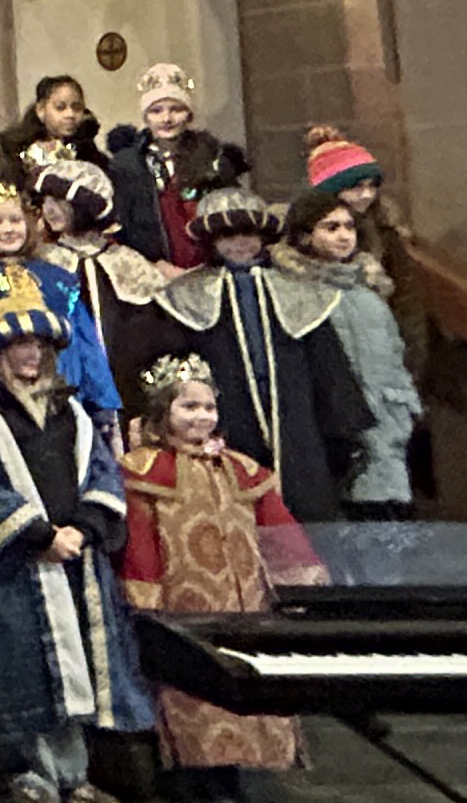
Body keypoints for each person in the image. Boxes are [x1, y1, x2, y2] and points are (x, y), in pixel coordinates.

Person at [0, 273, 154, 803]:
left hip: (73, 558)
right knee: (19, 665)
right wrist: (39, 535)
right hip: (13, 562)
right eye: (19, 345)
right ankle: (26, 770)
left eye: (40, 345)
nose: (31, 355)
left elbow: (102, 473)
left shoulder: (72, 410)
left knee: (79, 662)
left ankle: (74, 771)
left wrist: (84, 527)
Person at [118, 358, 319, 803]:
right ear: (163, 412)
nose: (201, 416)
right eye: (189, 407)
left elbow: (279, 529)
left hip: (244, 603)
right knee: (192, 690)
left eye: (208, 407)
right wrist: (145, 593)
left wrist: (300, 576)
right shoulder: (144, 470)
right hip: (183, 602)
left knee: (244, 685)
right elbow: (140, 537)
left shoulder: (242, 470)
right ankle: (202, 780)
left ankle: (238, 777)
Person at [154, 188, 369, 522]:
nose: (239, 243)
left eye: (248, 234)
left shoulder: (296, 289)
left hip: (296, 421)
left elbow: (327, 366)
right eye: (228, 235)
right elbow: (174, 363)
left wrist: (344, 426)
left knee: (305, 508)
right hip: (226, 417)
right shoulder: (188, 295)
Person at [0, 180, 121, 431]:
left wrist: (102, 403)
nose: (8, 229)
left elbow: (86, 346)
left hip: (65, 398)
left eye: (15, 220)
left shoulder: (57, 280)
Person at [277, 189, 419, 516]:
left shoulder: (368, 292)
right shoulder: (292, 293)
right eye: (331, 228)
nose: (344, 236)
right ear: (305, 235)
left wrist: (403, 409)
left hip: (387, 434)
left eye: (349, 227)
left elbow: (393, 359)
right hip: (331, 442)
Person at [30, 159, 170, 393]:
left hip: (126, 385)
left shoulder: (126, 261)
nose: (49, 209)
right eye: (45, 201)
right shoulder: (43, 262)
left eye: (59, 201)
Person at [302, 125, 427, 373]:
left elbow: (407, 300)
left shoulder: (383, 231)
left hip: (382, 346)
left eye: (372, 186)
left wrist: (409, 358)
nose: (367, 195)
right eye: (356, 187)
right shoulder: (304, 238)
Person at [106, 62, 248, 267]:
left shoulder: (213, 159)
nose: (167, 118)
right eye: (156, 111)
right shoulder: (126, 166)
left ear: (189, 114)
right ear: (146, 117)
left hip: (210, 267)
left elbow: (232, 218)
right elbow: (121, 227)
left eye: (176, 109)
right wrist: (156, 265)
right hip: (152, 270)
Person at [5, 75, 107, 179]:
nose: (70, 114)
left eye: (77, 108)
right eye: (60, 108)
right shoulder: (17, 150)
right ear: (40, 110)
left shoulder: (88, 151)